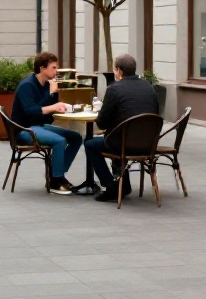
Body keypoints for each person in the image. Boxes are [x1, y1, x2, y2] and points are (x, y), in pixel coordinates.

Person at [86, 54, 159, 201]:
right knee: (119, 136)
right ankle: (123, 185)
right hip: (148, 145)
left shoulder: (114, 89)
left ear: (119, 71)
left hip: (122, 144)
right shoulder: (149, 87)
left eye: (114, 69)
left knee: (90, 144)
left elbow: (101, 123)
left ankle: (111, 186)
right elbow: (155, 114)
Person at [11, 52, 84, 195]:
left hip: (39, 126)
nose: (56, 71)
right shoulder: (27, 85)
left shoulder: (46, 84)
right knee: (59, 141)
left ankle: (56, 173)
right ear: (42, 68)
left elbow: (48, 113)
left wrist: (56, 101)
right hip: (24, 129)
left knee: (76, 138)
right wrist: (50, 98)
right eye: (53, 68)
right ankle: (56, 180)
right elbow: (31, 111)